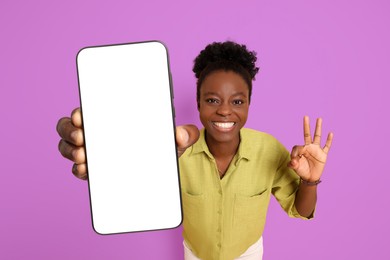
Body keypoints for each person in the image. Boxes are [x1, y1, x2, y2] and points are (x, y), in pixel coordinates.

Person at [57, 41, 333, 260]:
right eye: (212, 100)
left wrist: (310, 180)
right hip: (195, 254)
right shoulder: (176, 150)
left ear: (248, 105)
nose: (225, 110)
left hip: (248, 254)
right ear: (199, 103)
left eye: (237, 101)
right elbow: (140, 189)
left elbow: (300, 210)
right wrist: (112, 166)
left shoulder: (269, 149)